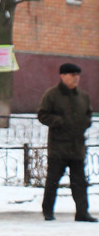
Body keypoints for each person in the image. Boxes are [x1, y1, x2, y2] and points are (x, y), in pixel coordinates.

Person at [37, 62, 94, 222]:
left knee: (79, 183)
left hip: (77, 147)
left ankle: (82, 213)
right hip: (58, 147)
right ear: (63, 76)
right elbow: (43, 115)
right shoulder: (52, 94)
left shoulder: (82, 96)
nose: (76, 78)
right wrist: (60, 121)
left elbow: (88, 114)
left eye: (78, 75)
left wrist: (85, 122)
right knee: (53, 181)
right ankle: (48, 211)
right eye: (72, 75)